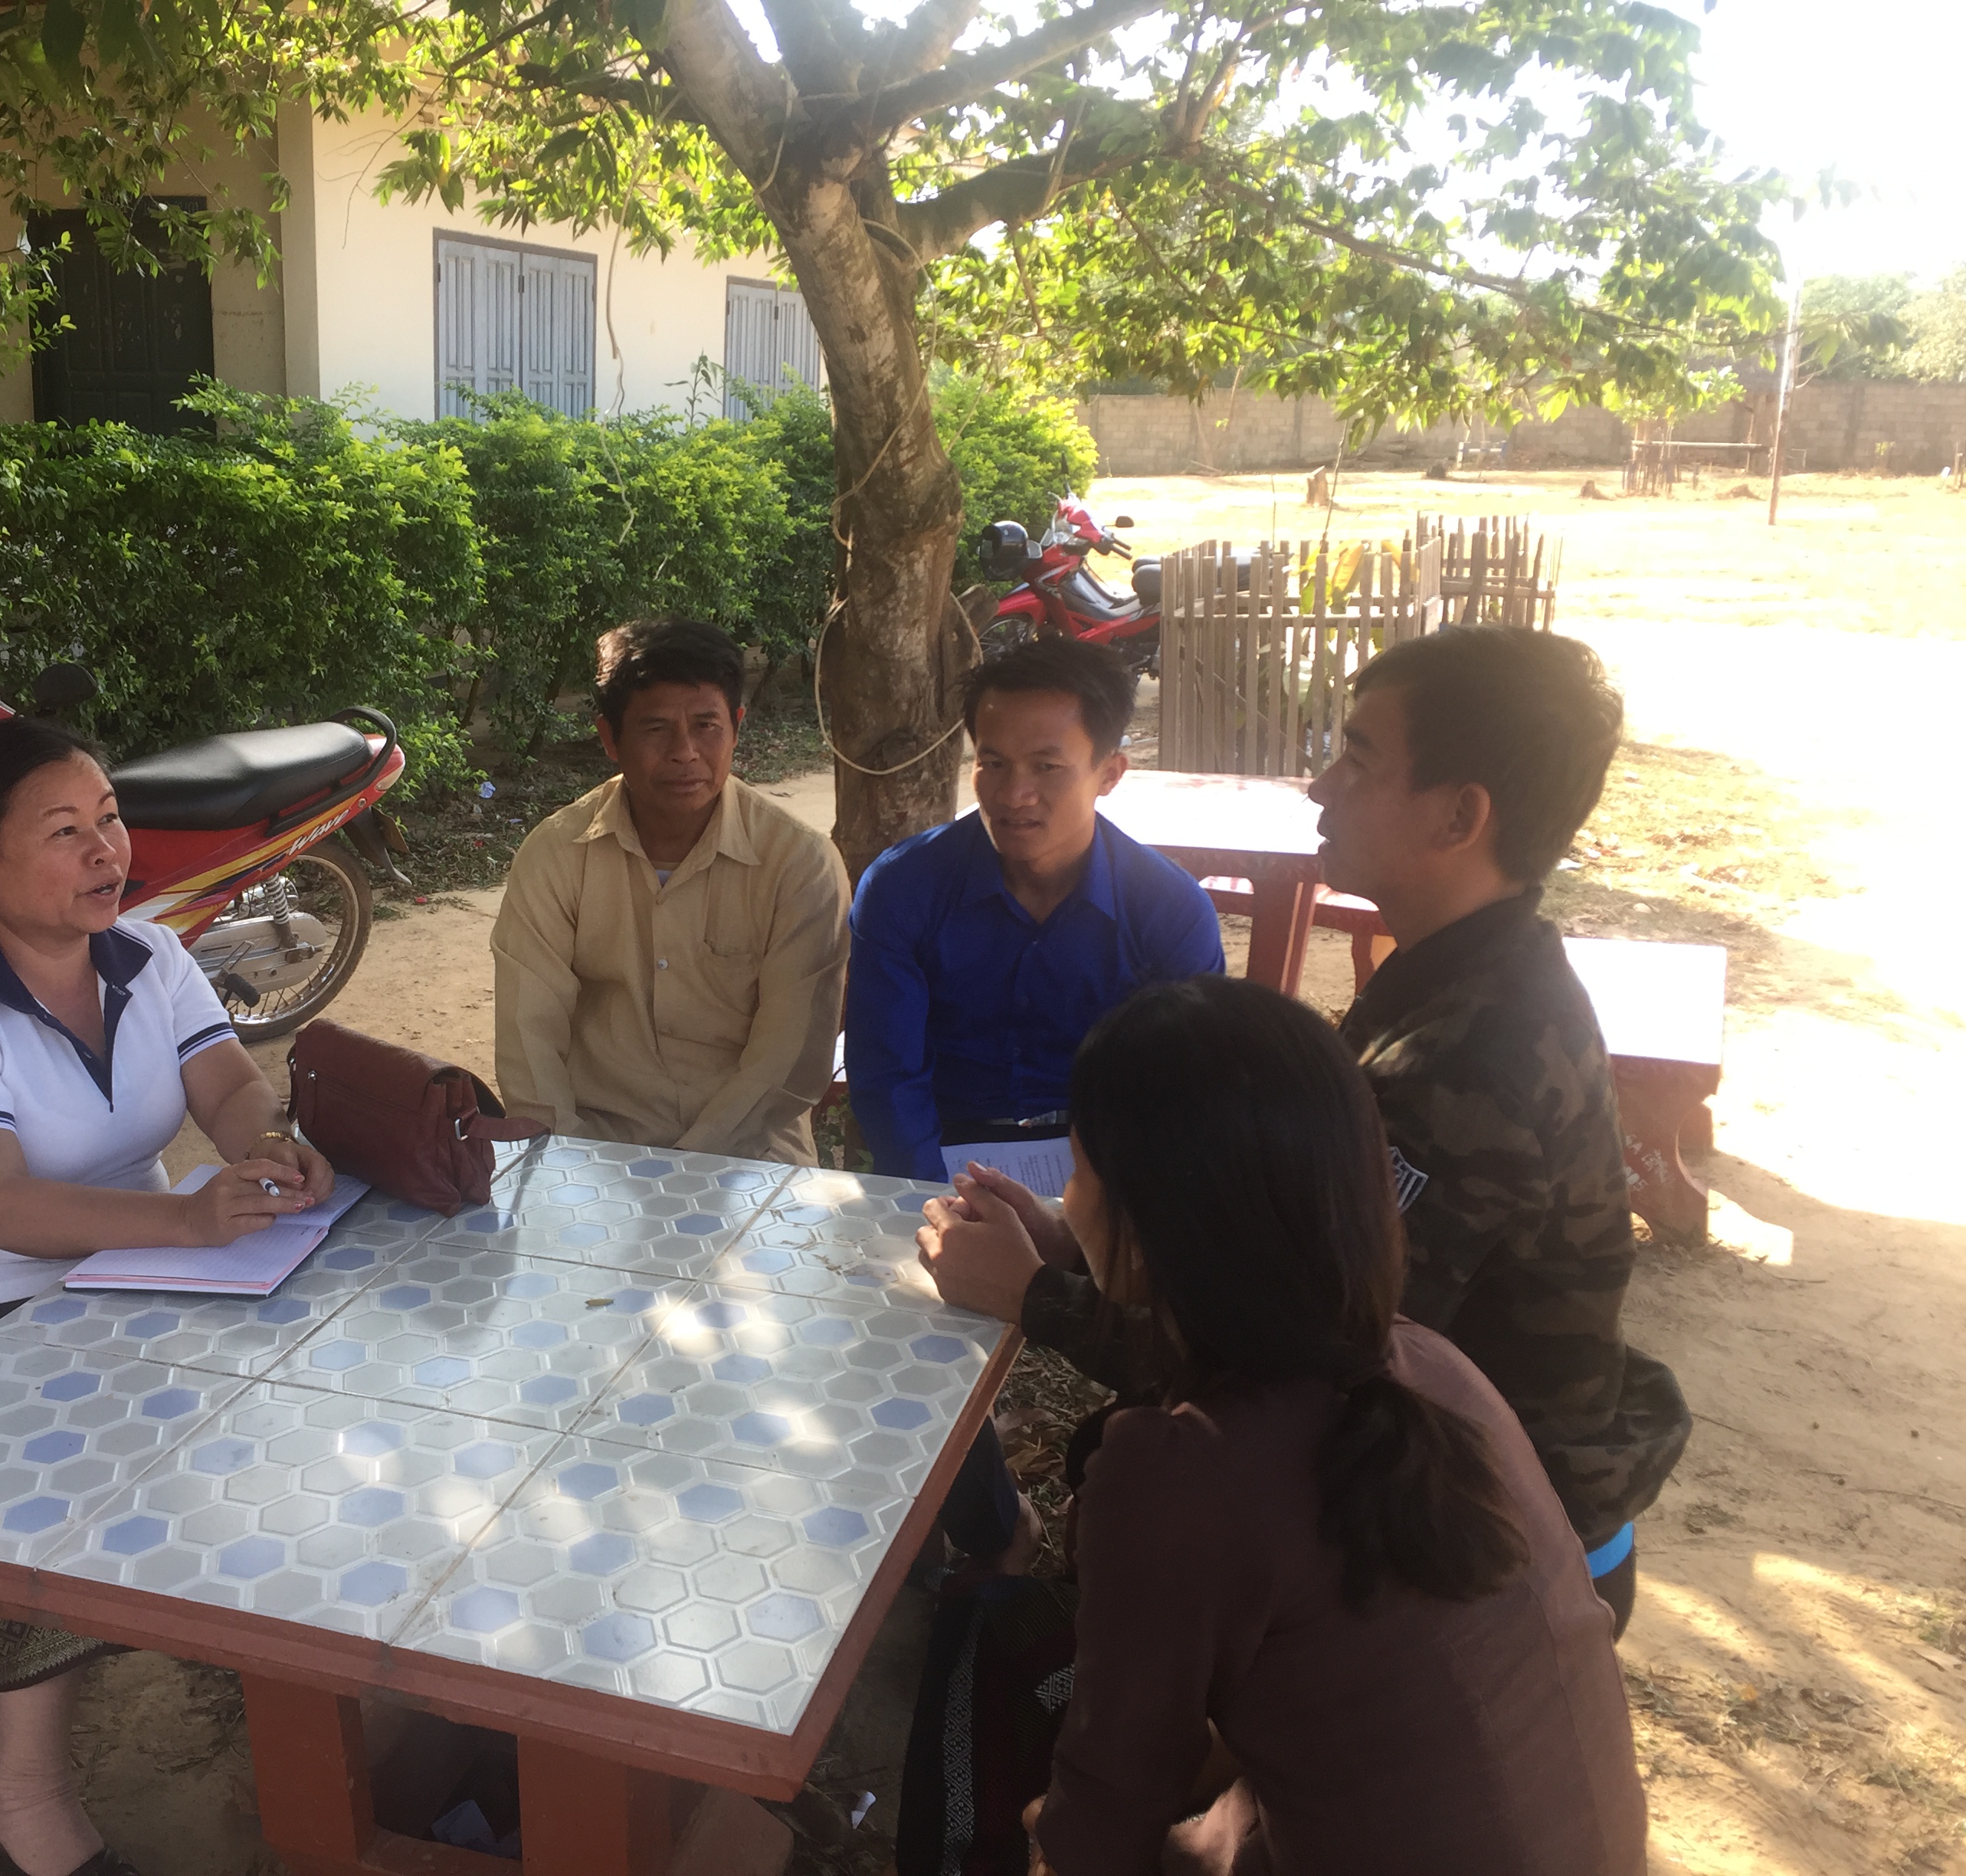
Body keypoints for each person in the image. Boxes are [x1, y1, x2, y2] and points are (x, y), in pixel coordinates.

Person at [927, 627, 1689, 1637]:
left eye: (1359, 760)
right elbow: (1288, 1250)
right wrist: (1081, 1242)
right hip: (1439, 1487)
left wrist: (1033, 1296)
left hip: (1487, 1560)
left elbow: (1295, 1368)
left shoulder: (1470, 1067)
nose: (1319, 787)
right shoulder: (1455, 979)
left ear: (1462, 815)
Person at [908, 979, 1647, 1876]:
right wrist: (1077, 1257)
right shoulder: (1432, 1369)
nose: (1067, 1197)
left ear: (1149, 1220)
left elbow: (1105, 1808)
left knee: (991, 1632)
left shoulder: (1180, 1471)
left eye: (1077, 1175)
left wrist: (1050, 1843)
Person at [0, 716, 336, 1876]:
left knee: (296, 1372)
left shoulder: (149, 955)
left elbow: (229, 1088)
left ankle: (278, 1672)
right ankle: (24, 1800)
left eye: (109, 818)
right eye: (65, 832)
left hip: (118, 1272)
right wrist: (190, 1221)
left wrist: (269, 1145)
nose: (107, 850)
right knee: (46, 1482)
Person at [843, 636, 1223, 1186]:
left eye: (1047, 766)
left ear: (1110, 773)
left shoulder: (1168, 909)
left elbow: (1186, 1089)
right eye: (993, 763)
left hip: (1106, 1164)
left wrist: (1114, 1203)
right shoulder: (904, 889)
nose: (1014, 794)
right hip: (944, 1158)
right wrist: (934, 1199)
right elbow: (887, 1077)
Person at [491, 616, 850, 1163]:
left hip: (753, 1154)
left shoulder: (799, 864)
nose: (685, 752)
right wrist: (562, 1159)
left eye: (706, 725)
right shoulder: (557, 855)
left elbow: (789, 1059)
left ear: (736, 727)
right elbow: (529, 1038)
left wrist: (688, 1168)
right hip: (594, 1145)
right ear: (609, 738)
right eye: (655, 728)